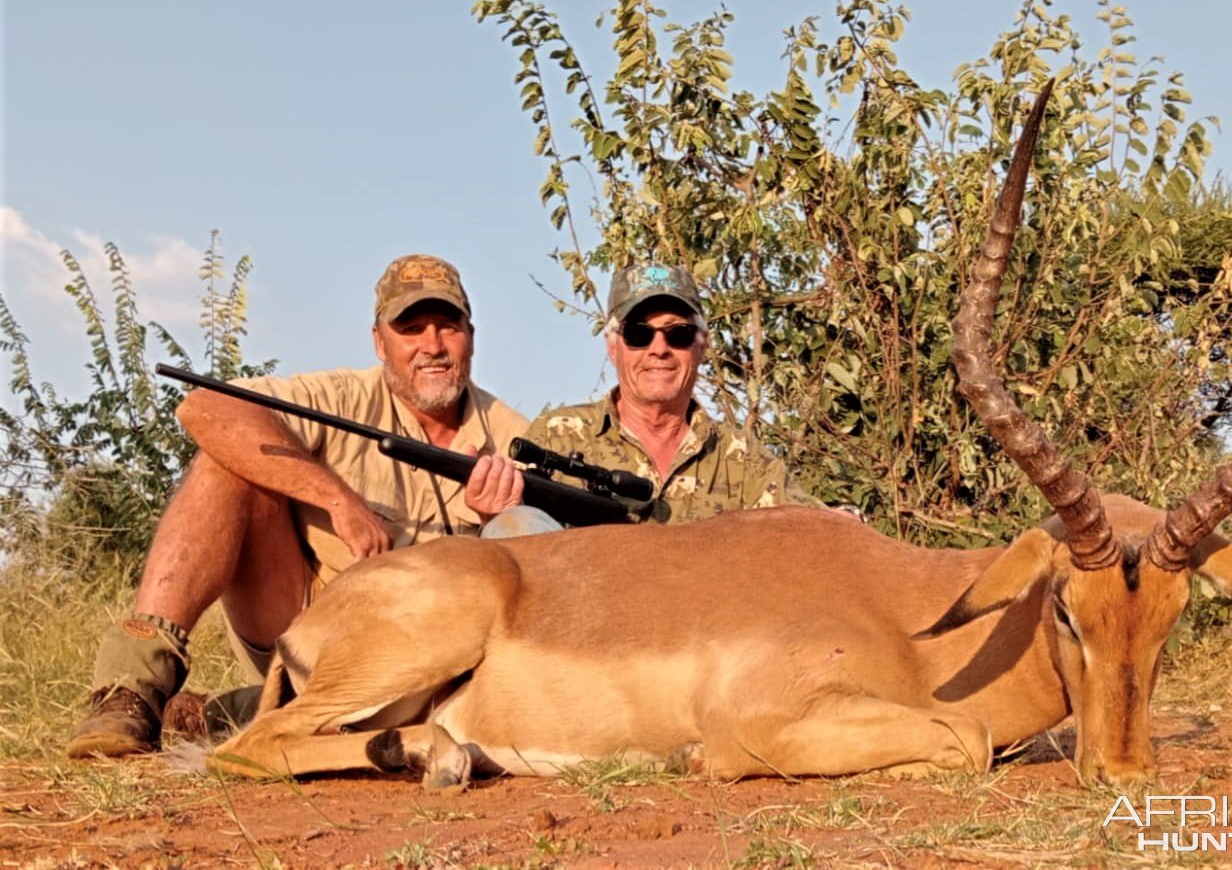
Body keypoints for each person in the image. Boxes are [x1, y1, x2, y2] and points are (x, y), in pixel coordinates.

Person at [66, 253, 529, 758]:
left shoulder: (516, 438)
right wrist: (335, 497)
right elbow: (206, 407)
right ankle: (131, 687)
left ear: (472, 335)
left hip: (425, 665)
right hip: (306, 628)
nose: (433, 346)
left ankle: (237, 712)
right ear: (379, 341)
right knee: (228, 461)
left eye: (449, 327)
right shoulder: (339, 396)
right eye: (411, 328)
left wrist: (497, 522)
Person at [494, 262, 818, 531]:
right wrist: (496, 510)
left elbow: (810, 527)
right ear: (612, 346)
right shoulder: (557, 437)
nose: (659, 349)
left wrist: (843, 522)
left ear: (702, 345)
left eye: (678, 334)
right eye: (639, 334)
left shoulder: (745, 459)